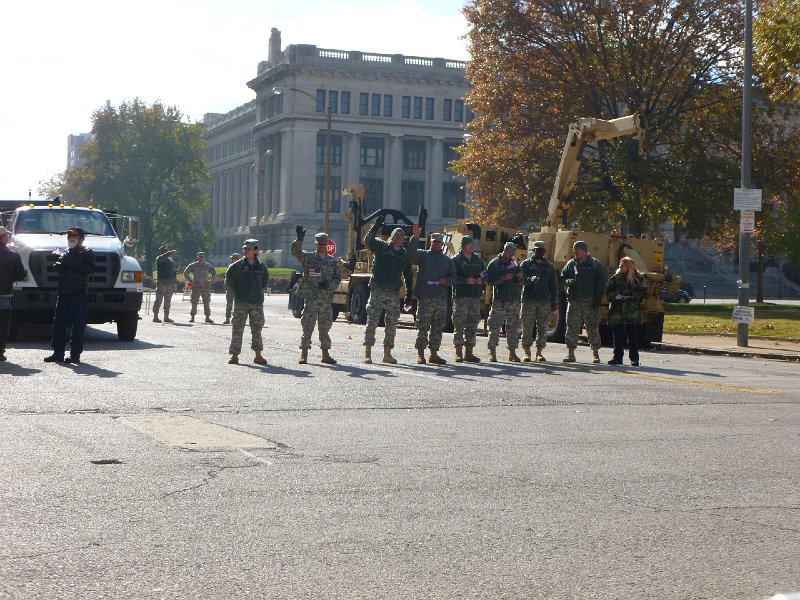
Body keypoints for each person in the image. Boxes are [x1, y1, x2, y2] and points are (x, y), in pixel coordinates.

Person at [362, 216, 413, 365]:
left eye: (401, 235)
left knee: (391, 323)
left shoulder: (404, 254)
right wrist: (375, 226)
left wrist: (409, 294)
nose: (398, 237)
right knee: (372, 320)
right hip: (378, 288)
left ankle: (387, 354)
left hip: (393, 292)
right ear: (391, 236)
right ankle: (368, 352)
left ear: (403, 239)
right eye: (396, 234)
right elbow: (368, 241)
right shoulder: (382, 247)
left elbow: (408, 275)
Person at [44, 227, 96, 364]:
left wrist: (71, 262)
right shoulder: (66, 251)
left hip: (78, 294)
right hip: (63, 293)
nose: (71, 237)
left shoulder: (87, 252)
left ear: (81, 238)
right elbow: (57, 266)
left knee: (78, 326)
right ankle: (57, 353)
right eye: (69, 235)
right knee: (58, 325)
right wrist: (58, 263)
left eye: (75, 235)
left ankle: (75, 355)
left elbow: (90, 269)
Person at [291, 227, 341, 365]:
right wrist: (299, 240)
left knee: (325, 326)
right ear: (315, 244)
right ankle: (304, 354)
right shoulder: (309, 258)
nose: (321, 246)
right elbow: (295, 252)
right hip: (311, 298)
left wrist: (329, 285)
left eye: (324, 244)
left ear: (327, 245)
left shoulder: (332, 261)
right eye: (319, 244)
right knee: (307, 325)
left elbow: (337, 278)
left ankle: (325, 355)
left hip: (325, 299)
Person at [407, 227, 457, 365]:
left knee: (437, 326)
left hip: (440, 297)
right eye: (434, 242)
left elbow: (454, 276)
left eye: (439, 242)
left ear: (442, 244)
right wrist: (415, 238)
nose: (436, 244)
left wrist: (446, 281)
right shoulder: (423, 256)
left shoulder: (447, 260)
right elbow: (410, 255)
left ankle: (434, 354)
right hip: (426, 296)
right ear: (431, 243)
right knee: (423, 325)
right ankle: (420, 354)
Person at [561, 240, 607, 363]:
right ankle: (571, 354)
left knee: (592, 327)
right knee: (572, 327)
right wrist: (569, 282)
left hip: (590, 301)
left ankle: (595, 353)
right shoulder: (571, 264)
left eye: (578, 249)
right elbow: (563, 277)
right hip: (574, 300)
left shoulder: (595, 264)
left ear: (584, 251)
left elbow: (601, 282)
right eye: (574, 249)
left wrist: (597, 299)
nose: (575, 252)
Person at [225, 239, 269, 365]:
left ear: (255, 250)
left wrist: (257, 292)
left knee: (257, 329)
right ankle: (234, 355)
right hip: (241, 302)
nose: (246, 251)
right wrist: (238, 293)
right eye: (245, 248)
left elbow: (264, 281)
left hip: (256, 302)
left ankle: (258, 355)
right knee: (237, 329)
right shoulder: (237, 266)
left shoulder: (262, 267)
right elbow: (229, 281)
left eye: (249, 249)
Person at [520, 240, 558, 362]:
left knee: (543, 327)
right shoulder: (525, 264)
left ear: (544, 251)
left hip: (544, 301)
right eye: (537, 249)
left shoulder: (549, 266)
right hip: (529, 299)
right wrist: (530, 279)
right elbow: (520, 280)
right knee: (527, 326)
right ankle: (526, 351)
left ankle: (539, 352)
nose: (540, 252)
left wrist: (554, 302)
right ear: (534, 251)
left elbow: (553, 285)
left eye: (542, 250)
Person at [485, 241, 524, 362]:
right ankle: (492, 352)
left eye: (512, 253)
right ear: (504, 250)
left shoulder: (514, 262)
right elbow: (489, 281)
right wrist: (502, 278)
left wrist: (519, 277)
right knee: (495, 326)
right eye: (509, 253)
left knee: (513, 327)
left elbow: (521, 280)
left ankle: (512, 352)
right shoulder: (494, 264)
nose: (510, 255)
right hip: (500, 300)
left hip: (513, 300)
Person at [606, 256, 648, 366]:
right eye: (619, 266)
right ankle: (617, 357)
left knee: (632, 336)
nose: (620, 267)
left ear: (629, 267)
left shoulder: (638, 279)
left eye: (622, 266)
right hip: (617, 311)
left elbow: (644, 293)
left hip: (631, 311)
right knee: (617, 336)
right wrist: (617, 297)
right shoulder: (615, 278)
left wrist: (631, 296)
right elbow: (609, 293)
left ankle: (634, 359)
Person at [451, 235, 485, 363]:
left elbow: (485, 272)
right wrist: (465, 280)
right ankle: (458, 352)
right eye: (470, 244)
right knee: (459, 323)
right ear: (463, 245)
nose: (472, 246)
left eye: (473, 244)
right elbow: (452, 276)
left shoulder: (478, 260)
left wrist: (481, 279)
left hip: (474, 296)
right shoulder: (456, 260)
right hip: (461, 296)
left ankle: (469, 353)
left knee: (473, 323)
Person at [0, 226, 27, 363]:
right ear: (4, 238)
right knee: (2, 324)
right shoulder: (12, 255)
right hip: (4, 294)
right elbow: (21, 274)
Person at [184, 251, 216, 323]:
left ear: (204, 257)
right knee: (194, 301)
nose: (201, 258)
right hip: (196, 286)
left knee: (206, 302)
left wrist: (210, 281)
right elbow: (185, 273)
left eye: (202, 256)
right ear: (197, 257)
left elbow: (214, 273)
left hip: (205, 286)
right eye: (199, 256)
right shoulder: (193, 265)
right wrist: (191, 281)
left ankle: (207, 317)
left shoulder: (208, 266)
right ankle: (192, 317)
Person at [152, 245, 177, 323]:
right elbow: (164, 257)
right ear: (160, 251)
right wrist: (171, 252)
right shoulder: (159, 259)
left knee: (168, 300)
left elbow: (173, 271)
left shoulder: (171, 261)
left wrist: (174, 279)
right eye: (163, 250)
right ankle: (155, 316)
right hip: (162, 283)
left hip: (170, 283)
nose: (164, 251)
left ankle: (166, 317)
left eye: (165, 250)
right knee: (158, 300)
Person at [223, 252, 241, 325]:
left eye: (233, 258)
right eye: (232, 258)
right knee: (229, 304)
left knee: (239, 304)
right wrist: (225, 284)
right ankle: (227, 318)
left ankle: (238, 319)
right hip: (230, 287)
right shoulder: (230, 266)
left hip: (238, 288)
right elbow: (227, 277)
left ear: (237, 259)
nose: (232, 259)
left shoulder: (241, 266)